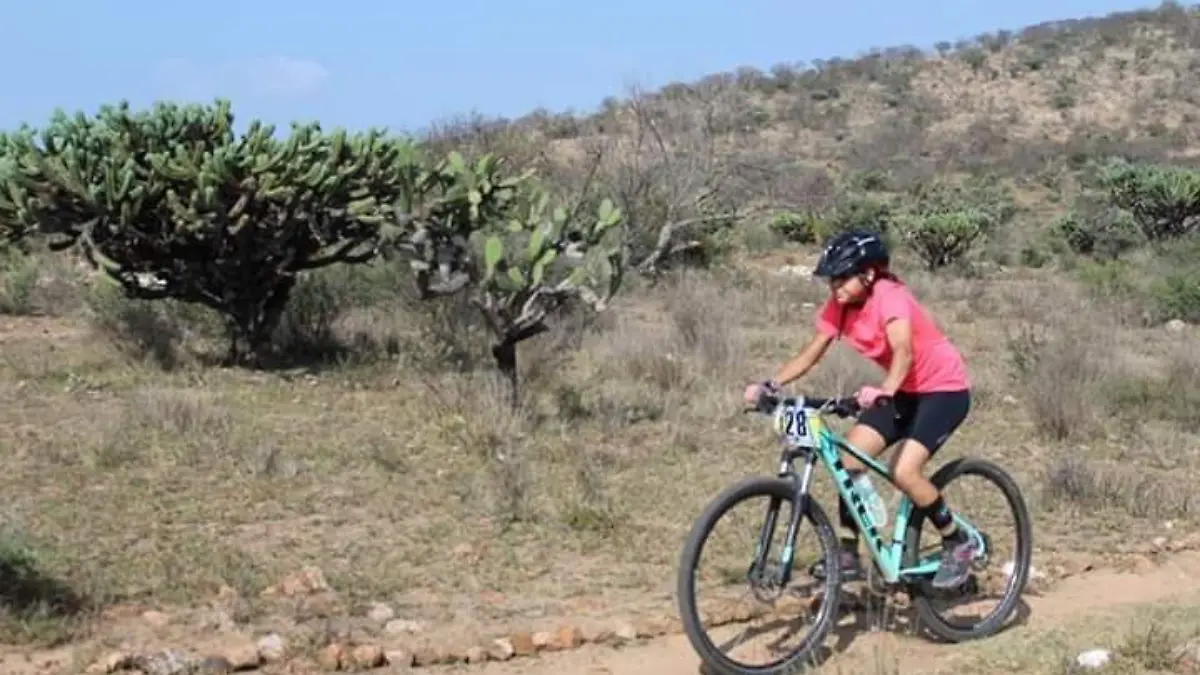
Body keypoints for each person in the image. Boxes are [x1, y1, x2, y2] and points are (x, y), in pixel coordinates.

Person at [743, 230, 976, 590]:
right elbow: (812, 351)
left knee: (905, 471)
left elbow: (904, 352)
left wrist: (885, 390)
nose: (834, 286)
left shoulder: (891, 297)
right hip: (904, 391)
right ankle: (849, 556)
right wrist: (771, 385)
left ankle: (957, 542)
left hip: (943, 389)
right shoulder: (841, 305)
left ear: (868, 274)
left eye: (841, 277)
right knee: (849, 459)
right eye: (830, 279)